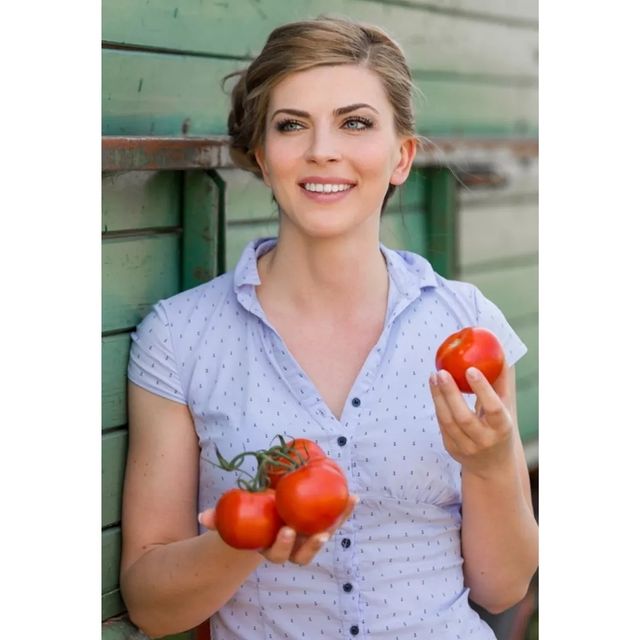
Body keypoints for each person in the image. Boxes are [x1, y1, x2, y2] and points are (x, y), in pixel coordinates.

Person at [120, 16, 538, 640]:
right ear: (262, 156)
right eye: (292, 125)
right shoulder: (180, 338)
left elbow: (502, 588)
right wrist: (250, 537)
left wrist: (491, 463)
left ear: (402, 157)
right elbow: (152, 606)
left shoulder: (466, 325)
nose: (323, 150)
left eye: (356, 122)